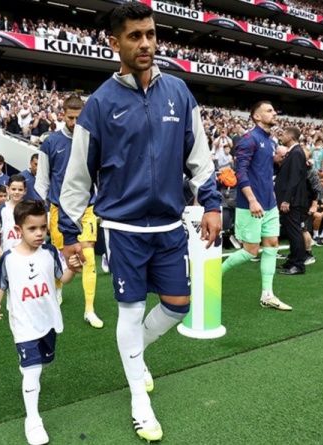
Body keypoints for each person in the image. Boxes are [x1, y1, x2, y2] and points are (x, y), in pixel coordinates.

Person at [56, 3, 222, 441]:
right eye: (134, 36)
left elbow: (199, 157)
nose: (145, 43)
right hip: (124, 230)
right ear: (115, 43)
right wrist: (70, 233)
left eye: (150, 34)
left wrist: (211, 204)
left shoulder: (179, 93)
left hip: (169, 225)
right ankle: (139, 400)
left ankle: (134, 355)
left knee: (178, 305)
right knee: (129, 312)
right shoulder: (99, 105)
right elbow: (77, 178)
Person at [0, 199, 80, 445]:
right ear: (19, 229)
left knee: (44, 362)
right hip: (23, 323)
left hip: (48, 320)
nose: (39, 233)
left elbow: (64, 278)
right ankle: (33, 420)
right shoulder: (9, 258)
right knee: (32, 371)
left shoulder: (50, 252)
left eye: (43, 227)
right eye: (32, 228)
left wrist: (73, 268)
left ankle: (30, 370)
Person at [36, 95, 103, 327]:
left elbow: (99, 175)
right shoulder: (50, 143)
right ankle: (57, 288)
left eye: (78, 118)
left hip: (87, 208)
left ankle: (89, 309)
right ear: (62, 115)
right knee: (62, 256)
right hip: (59, 209)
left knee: (88, 256)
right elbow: (42, 180)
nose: (74, 122)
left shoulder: (93, 141)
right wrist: (43, 212)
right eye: (70, 118)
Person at [221, 100, 292, 311]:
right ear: (257, 116)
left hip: (269, 204)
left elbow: (263, 171)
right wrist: (252, 200)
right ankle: (212, 275)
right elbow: (240, 172)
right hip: (251, 204)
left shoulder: (270, 141)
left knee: (272, 244)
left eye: (274, 110)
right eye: (269, 111)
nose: (274, 113)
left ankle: (267, 295)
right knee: (250, 251)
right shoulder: (249, 139)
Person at [275, 126, 308, 275]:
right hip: (291, 200)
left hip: (292, 201)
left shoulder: (296, 152)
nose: (281, 137)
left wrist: (287, 200)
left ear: (290, 137)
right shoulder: (295, 152)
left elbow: (294, 178)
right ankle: (292, 260)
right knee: (291, 231)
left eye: (283, 135)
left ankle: (298, 265)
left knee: (294, 232)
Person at [0, 174, 27, 259]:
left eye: (20, 189)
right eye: (13, 189)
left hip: (26, 251)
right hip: (8, 251)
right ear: (8, 189)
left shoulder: (29, 208)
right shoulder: (1, 209)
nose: (16, 192)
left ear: (25, 191)